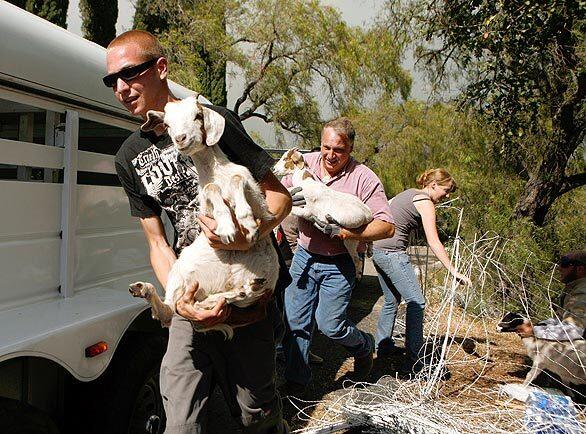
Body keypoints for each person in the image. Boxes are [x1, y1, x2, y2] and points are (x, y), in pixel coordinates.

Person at [107, 30, 291, 434]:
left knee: (254, 414)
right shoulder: (129, 156)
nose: (121, 88)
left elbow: (279, 199)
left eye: (130, 73)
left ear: (161, 68)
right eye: (112, 80)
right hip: (192, 298)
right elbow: (157, 242)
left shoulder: (216, 122)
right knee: (182, 423)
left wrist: (251, 234)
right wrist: (181, 303)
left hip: (245, 291)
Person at [281, 118, 395, 393]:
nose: (330, 155)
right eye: (326, 147)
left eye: (339, 150)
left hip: (339, 262)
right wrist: (285, 198)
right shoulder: (302, 164)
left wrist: (348, 233)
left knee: (330, 324)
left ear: (351, 148)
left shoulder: (364, 178)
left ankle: (363, 345)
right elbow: (272, 192)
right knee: (295, 322)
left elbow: (387, 226)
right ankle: (298, 385)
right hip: (304, 256)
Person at [372, 168, 471, 374]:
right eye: (446, 190)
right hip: (393, 255)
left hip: (379, 252)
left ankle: (383, 348)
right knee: (417, 303)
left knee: (391, 300)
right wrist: (453, 271)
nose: (447, 195)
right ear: (433, 185)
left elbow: (383, 212)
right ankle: (415, 363)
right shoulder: (425, 202)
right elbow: (433, 241)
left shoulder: (406, 194)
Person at [556, 251, 586, 329]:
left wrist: (533, 331)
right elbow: (559, 319)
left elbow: (574, 329)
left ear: (580, 269)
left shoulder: (582, 291)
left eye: (564, 264)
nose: (559, 268)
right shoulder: (574, 288)